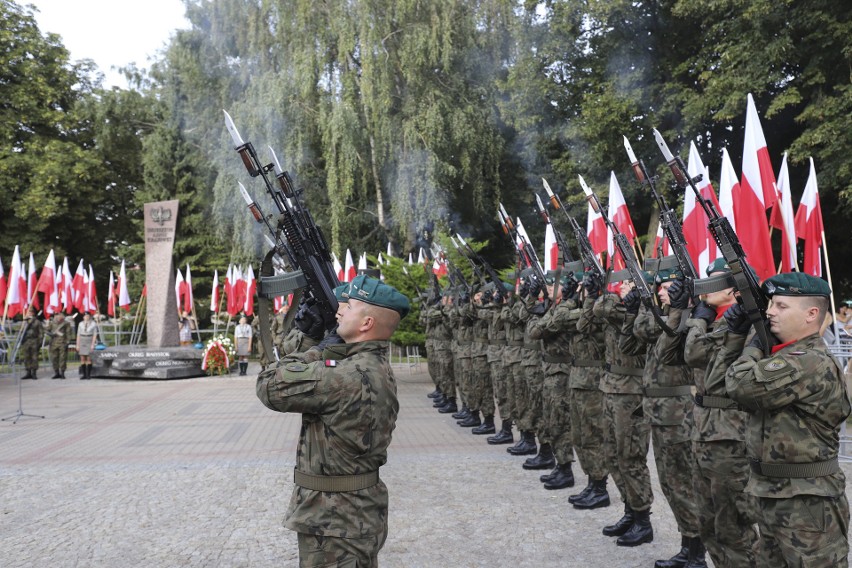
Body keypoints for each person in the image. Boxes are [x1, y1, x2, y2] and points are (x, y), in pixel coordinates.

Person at [256, 274, 409, 567]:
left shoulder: (347, 376)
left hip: (337, 521)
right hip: (344, 517)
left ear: (366, 323)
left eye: (348, 306)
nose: (338, 311)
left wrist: (316, 346)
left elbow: (269, 385)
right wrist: (318, 343)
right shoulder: (367, 365)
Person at [727, 272, 850, 566]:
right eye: (771, 304)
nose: (770, 312)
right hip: (778, 493)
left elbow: (739, 385)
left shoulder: (808, 360)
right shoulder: (788, 356)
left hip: (806, 502)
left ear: (811, 314)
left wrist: (754, 344)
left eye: (781, 306)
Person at [46, 312, 74, 379]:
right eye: (57, 316)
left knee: (62, 359)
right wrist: (50, 333)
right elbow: (46, 330)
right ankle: (56, 373)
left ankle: (62, 373)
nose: (59, 318)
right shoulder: (52, 323)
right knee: (54, 358)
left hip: (62, 343)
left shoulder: (66, 323)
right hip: (53, 343)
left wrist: (67, 343)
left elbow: (68, 334)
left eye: (61, 317)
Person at [19, 306, 44, 380]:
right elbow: (21, 331)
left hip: (34, 341)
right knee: (26, 357)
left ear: (33, 313)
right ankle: (28, 372)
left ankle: (34, 373)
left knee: (34, 357)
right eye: (28, 311)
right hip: (26, 341)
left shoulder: (37, 322)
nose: (29, 313)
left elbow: (41, 333)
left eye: (30, 312)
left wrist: (40, 342)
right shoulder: (25, 321)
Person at [76, 312, 98, 380]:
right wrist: (77, 345)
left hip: (89, 339)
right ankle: (84, 374)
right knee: (82, 358)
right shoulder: (80, 324)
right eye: (85, 316)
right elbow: (78, 334)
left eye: (88, 316)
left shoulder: (93, 324)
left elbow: (94, 335)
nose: (86, 317)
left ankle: (88, 374)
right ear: (83, 317)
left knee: (89, 358)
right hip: (82, 339)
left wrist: (92, 344)